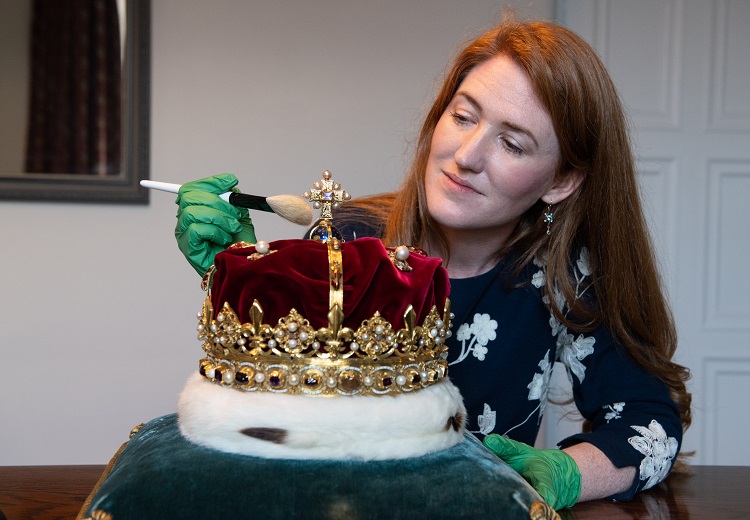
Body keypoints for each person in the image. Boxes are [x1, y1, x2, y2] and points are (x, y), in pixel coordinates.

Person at [173, 17, 692, 510]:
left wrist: (567, 474)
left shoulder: (563, 280)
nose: (467, 154)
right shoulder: (348, 240)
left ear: (560, 181)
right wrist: (240, 279)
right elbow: (288, 416)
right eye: (463, 116)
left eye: (512, 143)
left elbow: (649, 425)